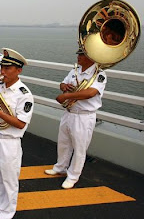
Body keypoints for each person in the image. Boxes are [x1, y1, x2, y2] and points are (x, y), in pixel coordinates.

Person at [0, 49, 34, 219]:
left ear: (18, 70)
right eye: (2, 67)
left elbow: (20, 123)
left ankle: (8, 210)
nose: (2, 72)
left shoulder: (24, 94)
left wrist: (0, 113)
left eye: (7, 68)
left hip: (10, 141)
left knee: (9, 179)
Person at [44, 48, 107, 189]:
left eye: (82, 55)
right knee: (63, 142)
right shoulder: (75, 70)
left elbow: (91, 93)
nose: (78, 57)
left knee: (79, 147)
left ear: (91, 57)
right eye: (78, 54)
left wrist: (66, 96)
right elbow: (62, 84)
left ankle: (73, 176)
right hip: (69, 112)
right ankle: (60, 167)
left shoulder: (99, 74)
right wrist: (64, 86)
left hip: (84, 116)